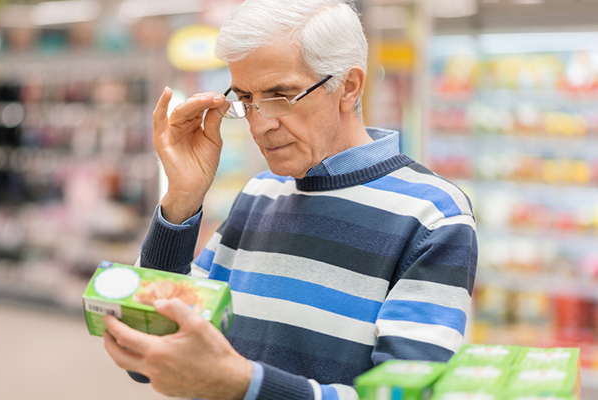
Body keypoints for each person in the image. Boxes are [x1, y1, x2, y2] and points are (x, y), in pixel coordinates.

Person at [101, 0, 477, 399]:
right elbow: (152, 346)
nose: (261, 123)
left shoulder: (432, 215)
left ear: (348, 87)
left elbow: (405, 394)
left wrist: (244, 386)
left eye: (281, 95)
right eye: (245, 99)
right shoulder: (259, 194)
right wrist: (181, 198)